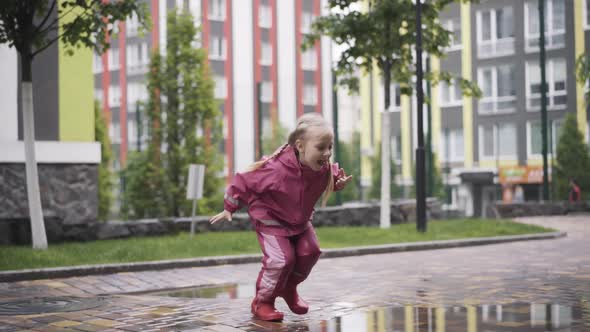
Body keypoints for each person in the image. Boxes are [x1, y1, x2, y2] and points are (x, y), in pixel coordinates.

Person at [209, 113, 352, 321]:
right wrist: (230, 206)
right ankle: (262, 302)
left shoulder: (321, 169)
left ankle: (288, 288)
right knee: (281, 260)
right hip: (272, 219)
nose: (327, 153)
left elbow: (327, 179)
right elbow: (245, 180)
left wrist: (336, 184)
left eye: (330, 147)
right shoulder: (276, 169)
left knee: (310, 252)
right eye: (321, 148)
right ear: (300, 146)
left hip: (299, 221)